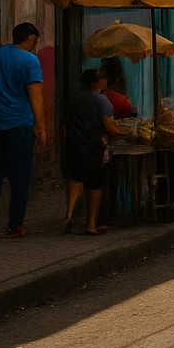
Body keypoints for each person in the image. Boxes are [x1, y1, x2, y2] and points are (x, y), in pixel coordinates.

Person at [0, 23, 46, 238]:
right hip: (19, 125)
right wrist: (40, 127)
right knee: (20, 176)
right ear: (31, 38)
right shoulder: (30, 60)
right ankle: (15, 225)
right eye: (36, 41)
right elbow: (36, 97)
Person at [63, 68, 122, 235]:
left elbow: (64, 123)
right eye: (102, 79)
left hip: (73, 144)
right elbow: (110, 127)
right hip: (93, 145)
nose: (105, 81)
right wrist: (122, 130)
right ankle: (91, 225)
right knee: (95, 185)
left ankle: (69, 215)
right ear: (95, 82)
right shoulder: (102, 101)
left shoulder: (74, 99)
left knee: (75, 180)